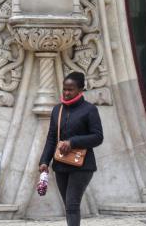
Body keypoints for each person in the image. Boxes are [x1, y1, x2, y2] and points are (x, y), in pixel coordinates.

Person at [39, 72, 104, 226]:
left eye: (71, 89)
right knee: (69, 206)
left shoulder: (90, 110)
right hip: (60, 164)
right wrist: (44, 162)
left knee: (72, 205)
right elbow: (51, 138)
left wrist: (73, 142)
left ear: (80, 89)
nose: (66, 93)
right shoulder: (57, 110)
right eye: (64, 89)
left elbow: (98, 137)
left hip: (82, 166)